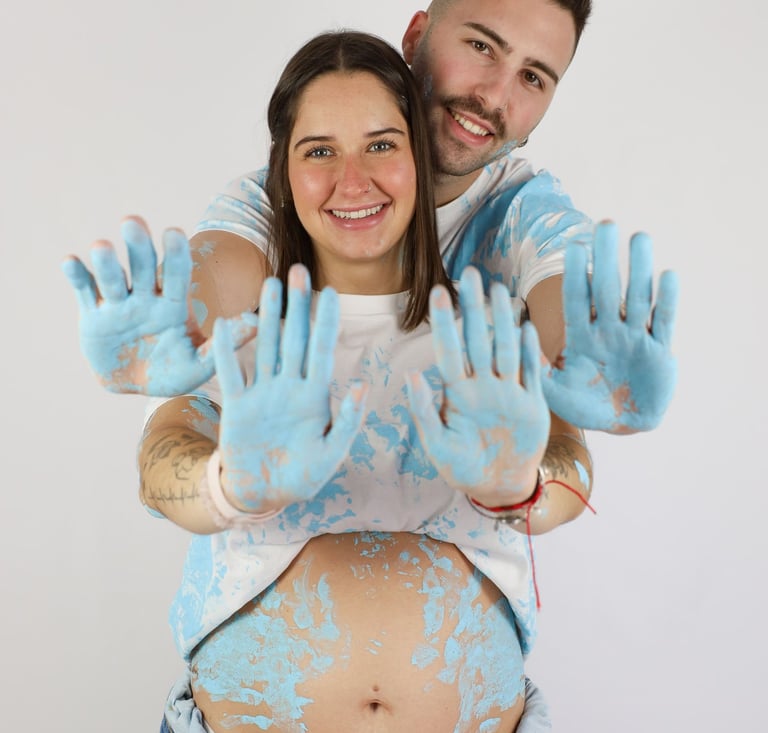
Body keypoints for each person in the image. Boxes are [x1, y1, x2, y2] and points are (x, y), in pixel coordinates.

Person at [132, 29, 591, 733]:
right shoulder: (249, 320)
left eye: (381, 144)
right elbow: (159, 470)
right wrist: (232, 483)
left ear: (419, 160)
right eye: (319, 151)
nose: (354, 181)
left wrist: (520, 483)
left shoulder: (490, 324)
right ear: (281, 171)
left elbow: (572, 469)